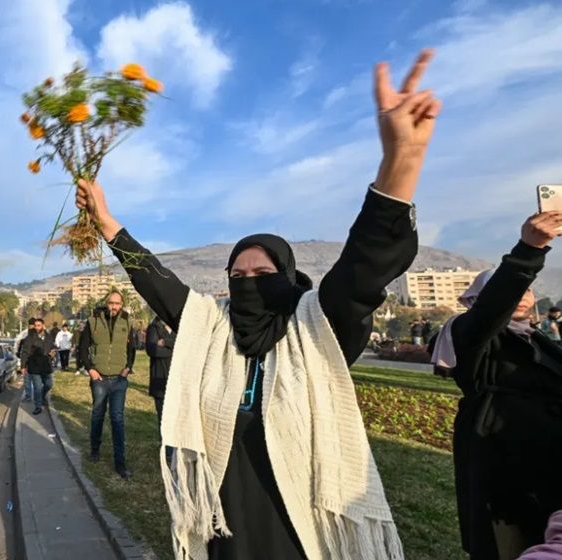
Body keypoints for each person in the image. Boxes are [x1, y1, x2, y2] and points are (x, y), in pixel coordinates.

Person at [75, 48, 441, 559]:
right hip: (225, 521)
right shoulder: (214, 327)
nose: (247, 283)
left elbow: (366, 264)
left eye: (263, 274)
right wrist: (109, 224)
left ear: (289, 278)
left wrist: (401, 159)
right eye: (237, 275)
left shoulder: (316, 325)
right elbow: (158, 284)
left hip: (301, 523)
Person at [430, 212, 562, 560]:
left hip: (550, 460)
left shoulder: (539, 338)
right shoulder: (468, 334)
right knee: (510, 544)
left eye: (527, 289)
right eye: (513, 288)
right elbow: (492, 310)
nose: (521, 295)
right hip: (504, 459)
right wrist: (529, 252)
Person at [76, 290, 137, 479]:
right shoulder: (93, 320)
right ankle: (95, 450)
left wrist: (128, 368)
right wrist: (91, 370)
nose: (114, 307)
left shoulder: (126, 321)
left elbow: (131, 348)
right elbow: (82, 348)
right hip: (99, 379)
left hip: (119, 379)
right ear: (106, 302)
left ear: (122, 304)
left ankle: (120, 463)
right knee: (97, 415)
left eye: (118, 304)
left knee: (117, 419)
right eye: (111, 303)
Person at [19, 318, 56, 415]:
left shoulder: (49, 336)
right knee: (37, 387)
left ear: (43, 326)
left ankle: (42, 396)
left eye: (39, 325)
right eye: (35, 325)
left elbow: (52, 346)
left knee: (49, 384)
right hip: (34, 366)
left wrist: (53, 352)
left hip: (46, 366)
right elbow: (25, 352)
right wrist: (23, 366)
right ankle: (38, 406)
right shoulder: (30, 337)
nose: (36, 327)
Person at [145, 316, 174, 427]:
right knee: (163, 418)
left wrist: (166, 342)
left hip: (177, 380)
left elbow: (186, 345)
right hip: (160, 377)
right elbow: (153, 350)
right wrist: (175, 350)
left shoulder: (179, 325)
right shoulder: (153, 327)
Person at [18, 319, 37, 401]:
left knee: (35, 381)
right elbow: (21, 348)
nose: (31, 326)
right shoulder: (25, 334)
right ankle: (29, 396)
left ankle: (35, 396)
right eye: (30, 325)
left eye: (32, 325)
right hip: (28, 362)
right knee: (27, 380)